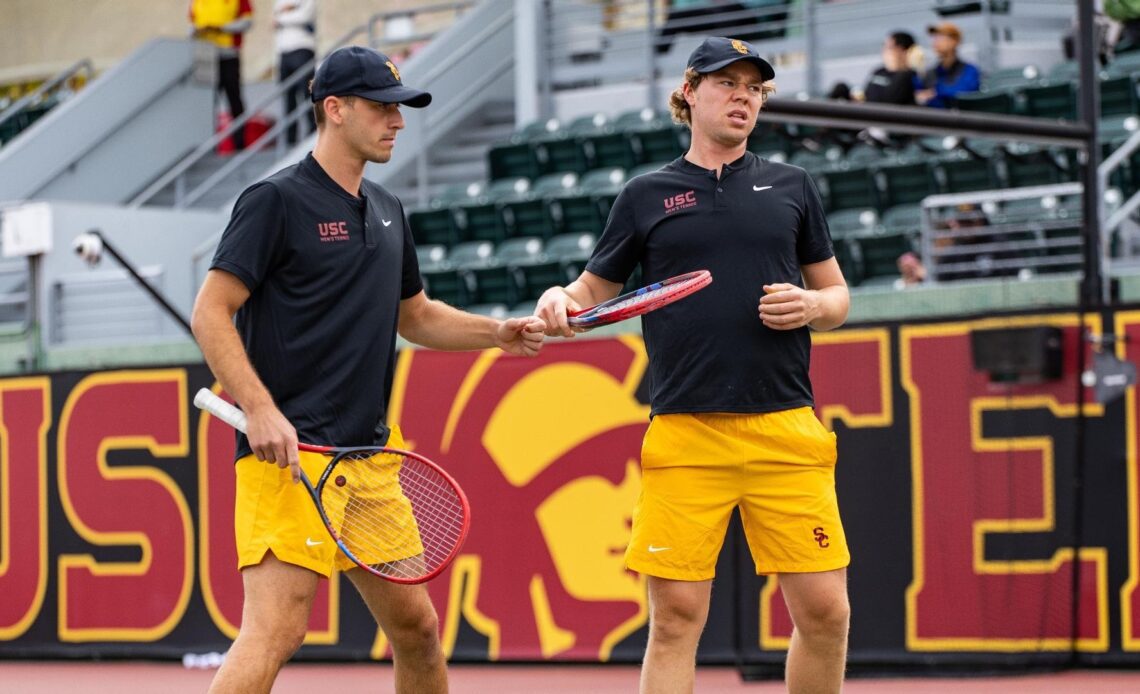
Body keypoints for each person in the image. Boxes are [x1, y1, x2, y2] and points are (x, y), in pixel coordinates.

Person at [191, 45, 546, 694]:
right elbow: (211, 312)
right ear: (335, 109)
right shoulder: (274, 201)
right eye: (383, 108)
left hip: (369, 463)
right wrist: (262, 409)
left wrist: (498, 333)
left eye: (400, 108)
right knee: (276, 632)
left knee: (417, 631)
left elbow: (415, 316)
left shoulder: (388, 211)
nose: (398, 121)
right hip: (288, 463)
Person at [535, 36, 851, 694]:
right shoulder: (646, 195)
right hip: (685, 430)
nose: (743, 97)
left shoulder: (792, 186)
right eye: (727, 83)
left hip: (786, 427)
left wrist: (814, 303)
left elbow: (839, 296)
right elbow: (594, 288)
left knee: (826, 614)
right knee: (676, 619)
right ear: (688, 92)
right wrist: (559, 299)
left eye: (754, 88)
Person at [190, 0, 253, 151]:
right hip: (205, 57)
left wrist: (221, 28)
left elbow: (247, 21)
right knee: (207, 103)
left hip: (228, 54)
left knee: (234, 100)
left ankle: (239, 144)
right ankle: (210, 146)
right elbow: (191, 26)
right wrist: (199, 30)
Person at [274, 0, 317, 145]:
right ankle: (290, 141)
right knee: (288, 98)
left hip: (303, 49)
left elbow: (304, 16)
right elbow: (274, 19)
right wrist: (288, 11)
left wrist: (281, 16)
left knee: (307, 94)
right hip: (284, 52)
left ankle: (313, 135)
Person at [915, 21, 981, 108]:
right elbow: (917, 92)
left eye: (941, 37)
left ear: (955, 41)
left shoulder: (969, 70)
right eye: (934, 37)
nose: (936, 41)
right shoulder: (931, 72)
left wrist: (936, 92)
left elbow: (965, 92)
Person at [864, 31, 918, 105]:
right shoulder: (878, 71)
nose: (884, 51)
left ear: (902, 50)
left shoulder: (910, 76)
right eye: (884, 46)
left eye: (889, 47)